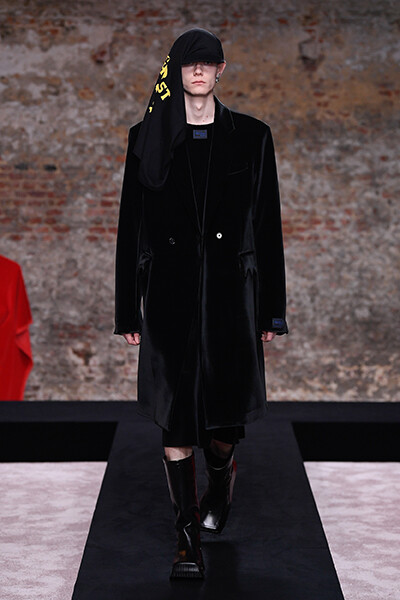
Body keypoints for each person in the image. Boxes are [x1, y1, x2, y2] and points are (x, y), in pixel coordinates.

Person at [114, 28, 288, 579]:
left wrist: (271, 310)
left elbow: (267, 226)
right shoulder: (146, 138)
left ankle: (221, 475)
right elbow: (130, 226)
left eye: (208, 62)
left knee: (224, 422)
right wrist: (127, 309)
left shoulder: (252, 137)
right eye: (190, 63)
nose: (198, 70)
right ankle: (186, 538)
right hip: (169, 296)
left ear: (220, 70)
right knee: (175, 416)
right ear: (177, 71)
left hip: (232, 298)